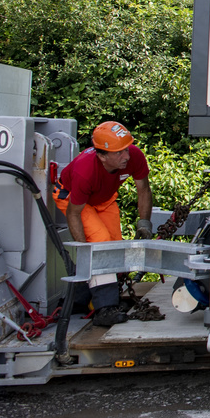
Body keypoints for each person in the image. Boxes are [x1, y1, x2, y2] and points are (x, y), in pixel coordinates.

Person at [51, 120, 154, 326]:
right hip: (72, 199)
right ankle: (105, 309)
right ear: (101, 156)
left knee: (115, 245)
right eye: (119, 153)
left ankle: (78, 301)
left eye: (126, 149)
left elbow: (143, 189)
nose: (126, 155)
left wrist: (144, 222)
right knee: (100, 242)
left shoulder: (134, 156)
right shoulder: (84, 170)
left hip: (103, 198)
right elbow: (74, 213)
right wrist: (85, 249)